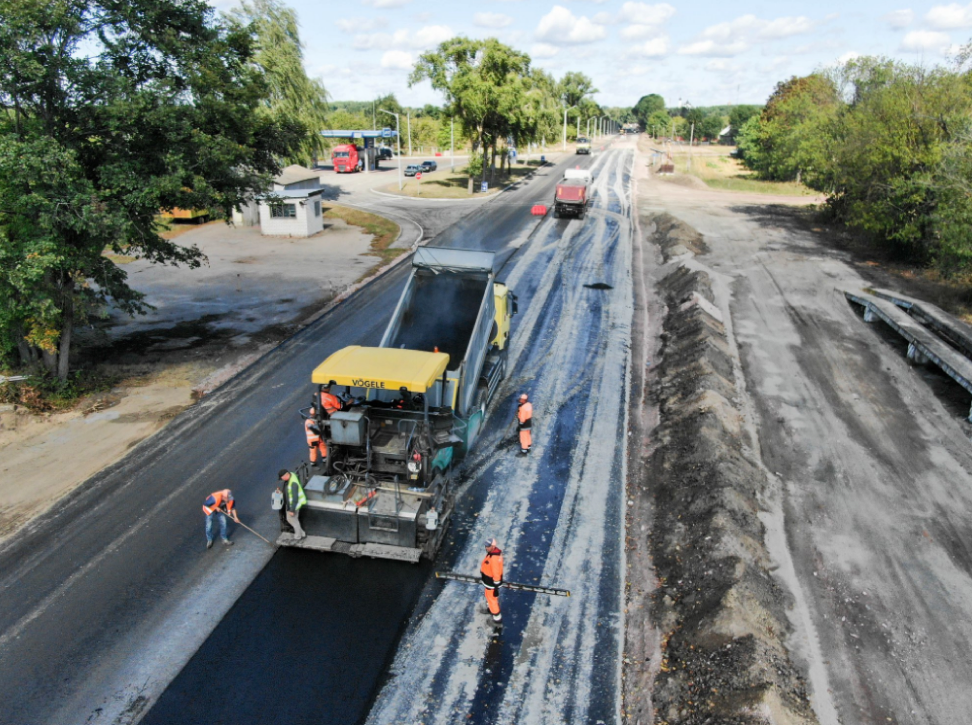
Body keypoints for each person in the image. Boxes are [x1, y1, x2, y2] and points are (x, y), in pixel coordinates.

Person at [480, 538, 504, 624]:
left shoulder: (494, 557)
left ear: (493, 546)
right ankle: (490, 608)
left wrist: (496, 584)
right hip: (488, 581)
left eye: (488, 546)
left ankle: (497, 618)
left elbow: (496, 571)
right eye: (486, 546)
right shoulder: (492, 553)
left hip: (491, 582)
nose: (486, 548)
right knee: (489, 596)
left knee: (492, 599)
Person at [278, 469, 307, 540]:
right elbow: (288, 492)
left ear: (286, 475)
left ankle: (298, 536)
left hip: (294, 505)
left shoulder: (293, 483)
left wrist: (292, 510)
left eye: (282, 477)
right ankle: (302, 533)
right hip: (291, 504)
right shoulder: (289, 479)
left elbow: (294, 498)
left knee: (292, 520)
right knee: (294, 519)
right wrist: (281, 493)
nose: (281, 479)